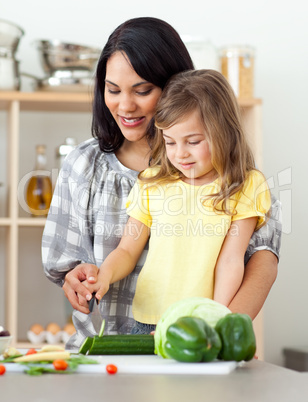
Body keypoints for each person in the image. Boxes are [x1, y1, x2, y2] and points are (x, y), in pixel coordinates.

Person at [42, 17, 281, 349]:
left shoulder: (241, 180)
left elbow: (259, 259)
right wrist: (87, 276)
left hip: (197, 338)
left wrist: (219, 332)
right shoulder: (120, 174)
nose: (125, 106)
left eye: (142, 90)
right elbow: (115, 251)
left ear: (175, 88)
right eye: (112, 90)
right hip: (106, 347)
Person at [83, 69, 272, 333]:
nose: (180, 154)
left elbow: (231, 260)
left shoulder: (245, 185)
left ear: (224, 133)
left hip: (200, 322)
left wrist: (215, 320)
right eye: (170, 142)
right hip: (148, 319)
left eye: (193, 141)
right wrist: (104, 275)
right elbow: (127, 250)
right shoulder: (152, 182)